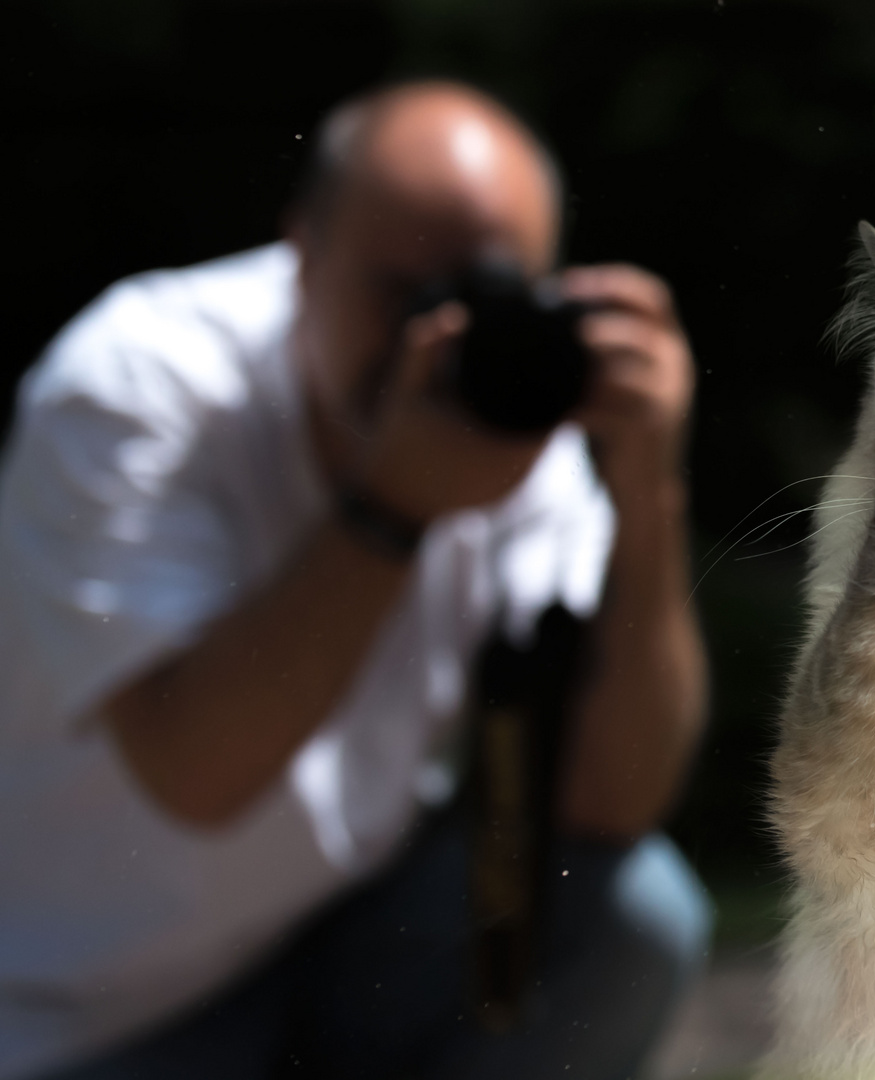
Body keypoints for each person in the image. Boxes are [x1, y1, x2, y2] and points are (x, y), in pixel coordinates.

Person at [0, 81, 711, 1079]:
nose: (444, 338)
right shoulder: (133, 386)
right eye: (405, 292)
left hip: (331, 947)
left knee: (637, 914)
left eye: (488, 294)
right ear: (300, 254)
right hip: (88, 1022)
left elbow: (608, 805)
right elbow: (193, 776)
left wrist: (649, 496)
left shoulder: (511, 409)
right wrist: (390, 513)